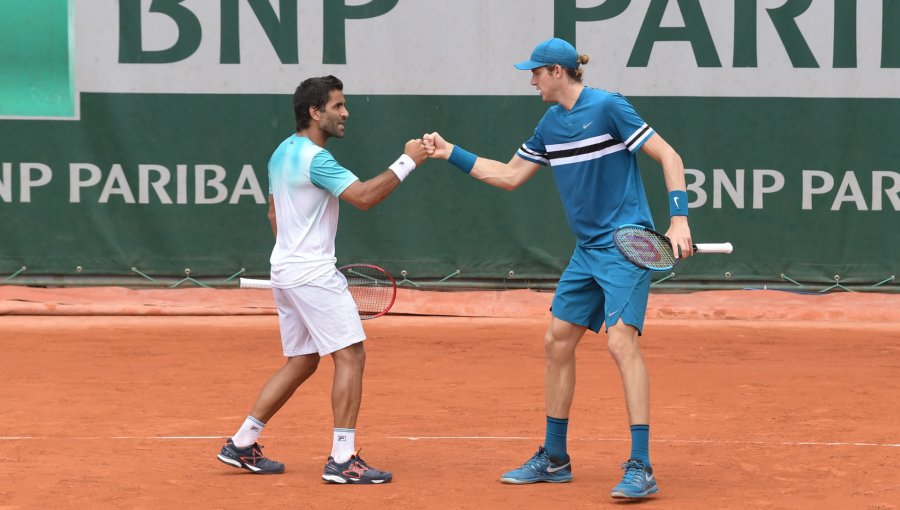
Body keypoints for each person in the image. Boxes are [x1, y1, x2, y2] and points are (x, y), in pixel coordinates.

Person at [423, 38, 692, 499]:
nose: (530, 80)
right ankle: (554, 457)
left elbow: (669, 156)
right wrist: (451, 153)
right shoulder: (550, 123)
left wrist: (679, 217)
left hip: (628, 245)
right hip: (587, 249)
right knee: (557, 340)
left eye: (535, 73)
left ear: (557, 72)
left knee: (620, 343)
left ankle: (641, 465)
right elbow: (508, 176)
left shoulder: (609, 106)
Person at [217, 75, 427, 484]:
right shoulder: (317, 159)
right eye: (338, 106)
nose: (346, 113)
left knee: (303, 360)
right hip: (311, 274)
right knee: (351, 355)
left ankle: (242, 443)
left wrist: (293, 262)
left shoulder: (281, 153)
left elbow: (273, 215)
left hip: (287, 270)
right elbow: (364, 197)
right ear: (315, 112)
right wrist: (409, 161)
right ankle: (343, 460)